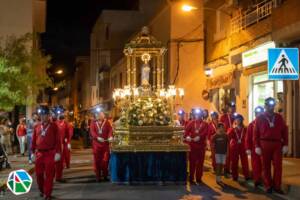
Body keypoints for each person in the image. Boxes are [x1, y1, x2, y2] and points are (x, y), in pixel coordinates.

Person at [254, 97, 288, 194]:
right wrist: (257, 146)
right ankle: (268, 185)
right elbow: (255, 133)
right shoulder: (260, 118)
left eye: (272, 106)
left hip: (277, 144)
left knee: (278, 166)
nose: (271, 107)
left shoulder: (278, 117)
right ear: (265, 106)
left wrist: (285, 144)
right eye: (269, 105)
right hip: (264, 143)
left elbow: (284, 131)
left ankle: (277, 186)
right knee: (266, 166)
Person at [31, 106, 61, 200]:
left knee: (49, 175)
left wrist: (58, 152)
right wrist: (32, 153)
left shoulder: (54, 126)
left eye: (45, 115)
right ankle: (42, 190)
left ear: (48, 115)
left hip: (50, 153)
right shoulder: (36, 126)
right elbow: (33, 140)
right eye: (41, 115)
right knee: (39, 174)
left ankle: (47, 194)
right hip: (39, 154)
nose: (43, 117)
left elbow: (57, 140)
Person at [184, 108, 209, 184]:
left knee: (200, 163)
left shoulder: (205, 124)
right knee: (192, 163)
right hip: (193, 146)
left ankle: (198, 178)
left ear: (201, 115)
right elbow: (186, 131)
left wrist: (200, 137)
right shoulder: (191, 123)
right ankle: (191, 178)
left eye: (198, 114)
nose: (197, 116)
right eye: (196, 114)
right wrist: (187, 136)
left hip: (201, 146)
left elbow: (205, 132)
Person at [90, 111, 113, 182]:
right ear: (98, 116)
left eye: (103, 115)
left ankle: (105, 175)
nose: (102, 116)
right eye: (101, 115)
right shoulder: (93, 123)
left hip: (105, 144)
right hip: (96, 145)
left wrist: (110, 137)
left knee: (106, 160)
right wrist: (97, 137)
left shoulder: (107, 122)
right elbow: (92, 132)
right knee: (97, 161)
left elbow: (110, 130)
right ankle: (98, 176)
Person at [228, 113, 250, 181]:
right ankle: (235, 176)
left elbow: (248, 137)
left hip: (243, 146)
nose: (238, 121)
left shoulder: (245, 128)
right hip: (234, 147)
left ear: (242, 120)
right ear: (235, 120)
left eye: (240, 119)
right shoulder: (232, 129)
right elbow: (228, 137)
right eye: (237, 119)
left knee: (245, 161)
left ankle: (246, 175)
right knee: (234, 161)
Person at [246, 106, 264, 187]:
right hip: (254, 148)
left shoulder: (266, 123)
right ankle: (257, 179)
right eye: (257, 113)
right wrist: (248, 148)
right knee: (256, 164)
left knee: (265, 164)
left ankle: (265, 179)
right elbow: (248, 137)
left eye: (260, 113)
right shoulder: (251, 125)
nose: (259, 115)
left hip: (264, 147)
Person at [220, 102, 236, 176]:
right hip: (225, 137)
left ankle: (231, 169)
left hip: (234, 138)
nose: (232, 109)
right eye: (231, 107)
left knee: (232, 155)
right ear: (228, 109)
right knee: (226, 154)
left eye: (233, 108)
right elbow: (220, 127)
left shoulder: (236, 117)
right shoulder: (223, 117)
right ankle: (225, 168)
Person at [55, 112, 70, 182]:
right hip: (55, 144)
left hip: (62, 143)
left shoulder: (66, 124)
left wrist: (68, 141)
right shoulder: (55, 124)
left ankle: (58, 176)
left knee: (60, 160)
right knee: (56, 160)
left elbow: (67, 133)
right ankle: (56, 176)